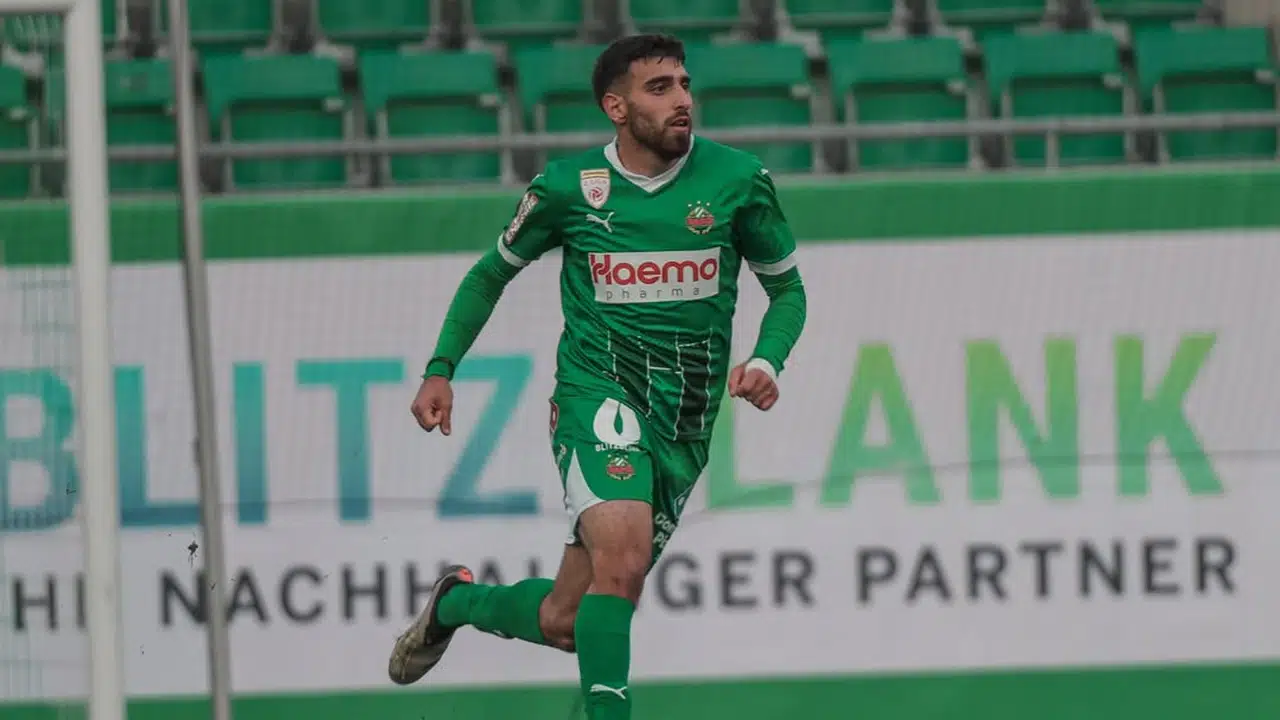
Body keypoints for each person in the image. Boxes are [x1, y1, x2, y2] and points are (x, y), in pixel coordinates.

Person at [387, 33, 807, 720]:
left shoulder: (738, 179)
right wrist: (441, 369)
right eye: (659, 88)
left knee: (566, 620)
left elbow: (787, 291)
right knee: (624, 560)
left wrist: (766, 359)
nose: (682, 99)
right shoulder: (567, 187)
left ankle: (455, 602)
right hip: (598, 393)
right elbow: (491, 274)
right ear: (617, 107)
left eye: (684, 83)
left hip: (685, 417)